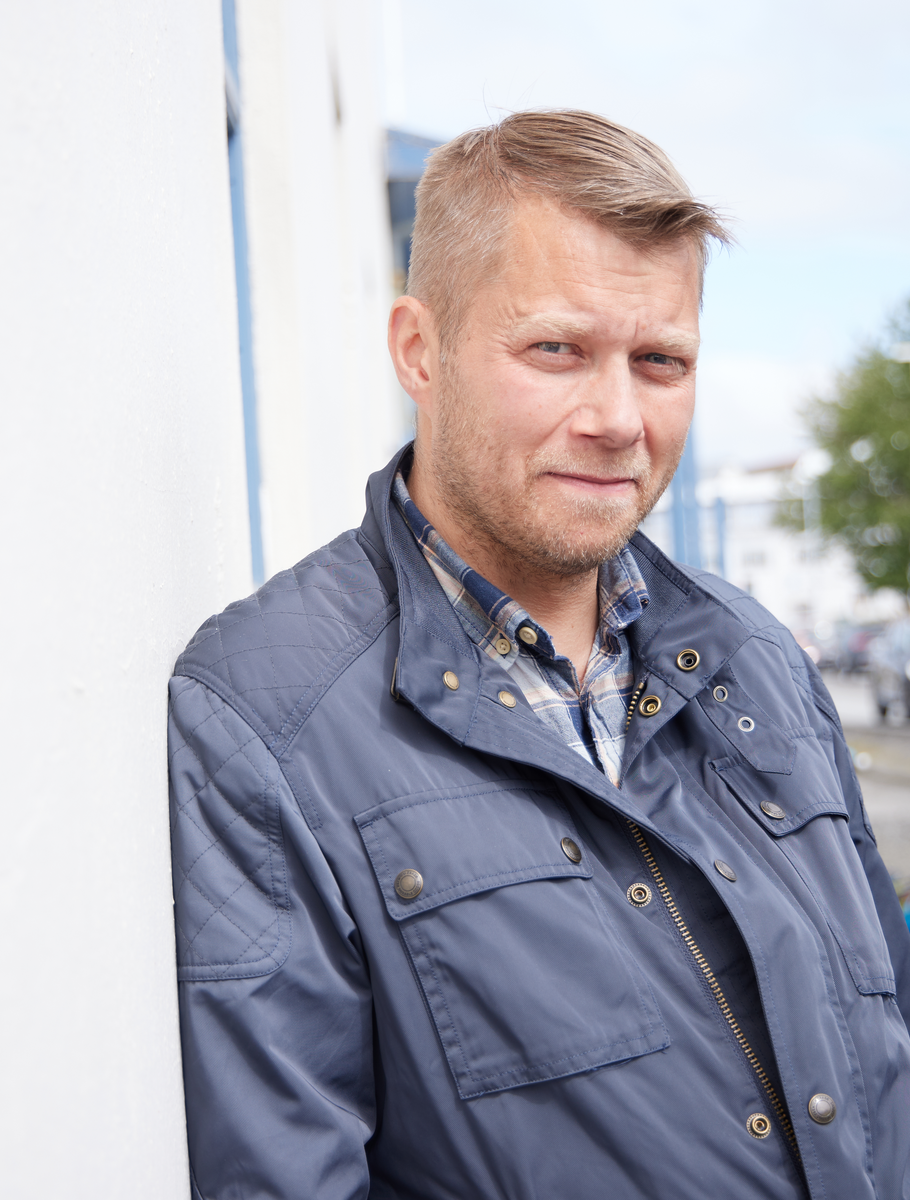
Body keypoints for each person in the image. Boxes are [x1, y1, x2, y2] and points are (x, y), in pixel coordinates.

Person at [167, 110, 910, 1199]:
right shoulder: (265, 720)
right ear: (419, 351)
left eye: (660, 361)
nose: (618, 419)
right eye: (557, 350)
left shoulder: (763, 665)